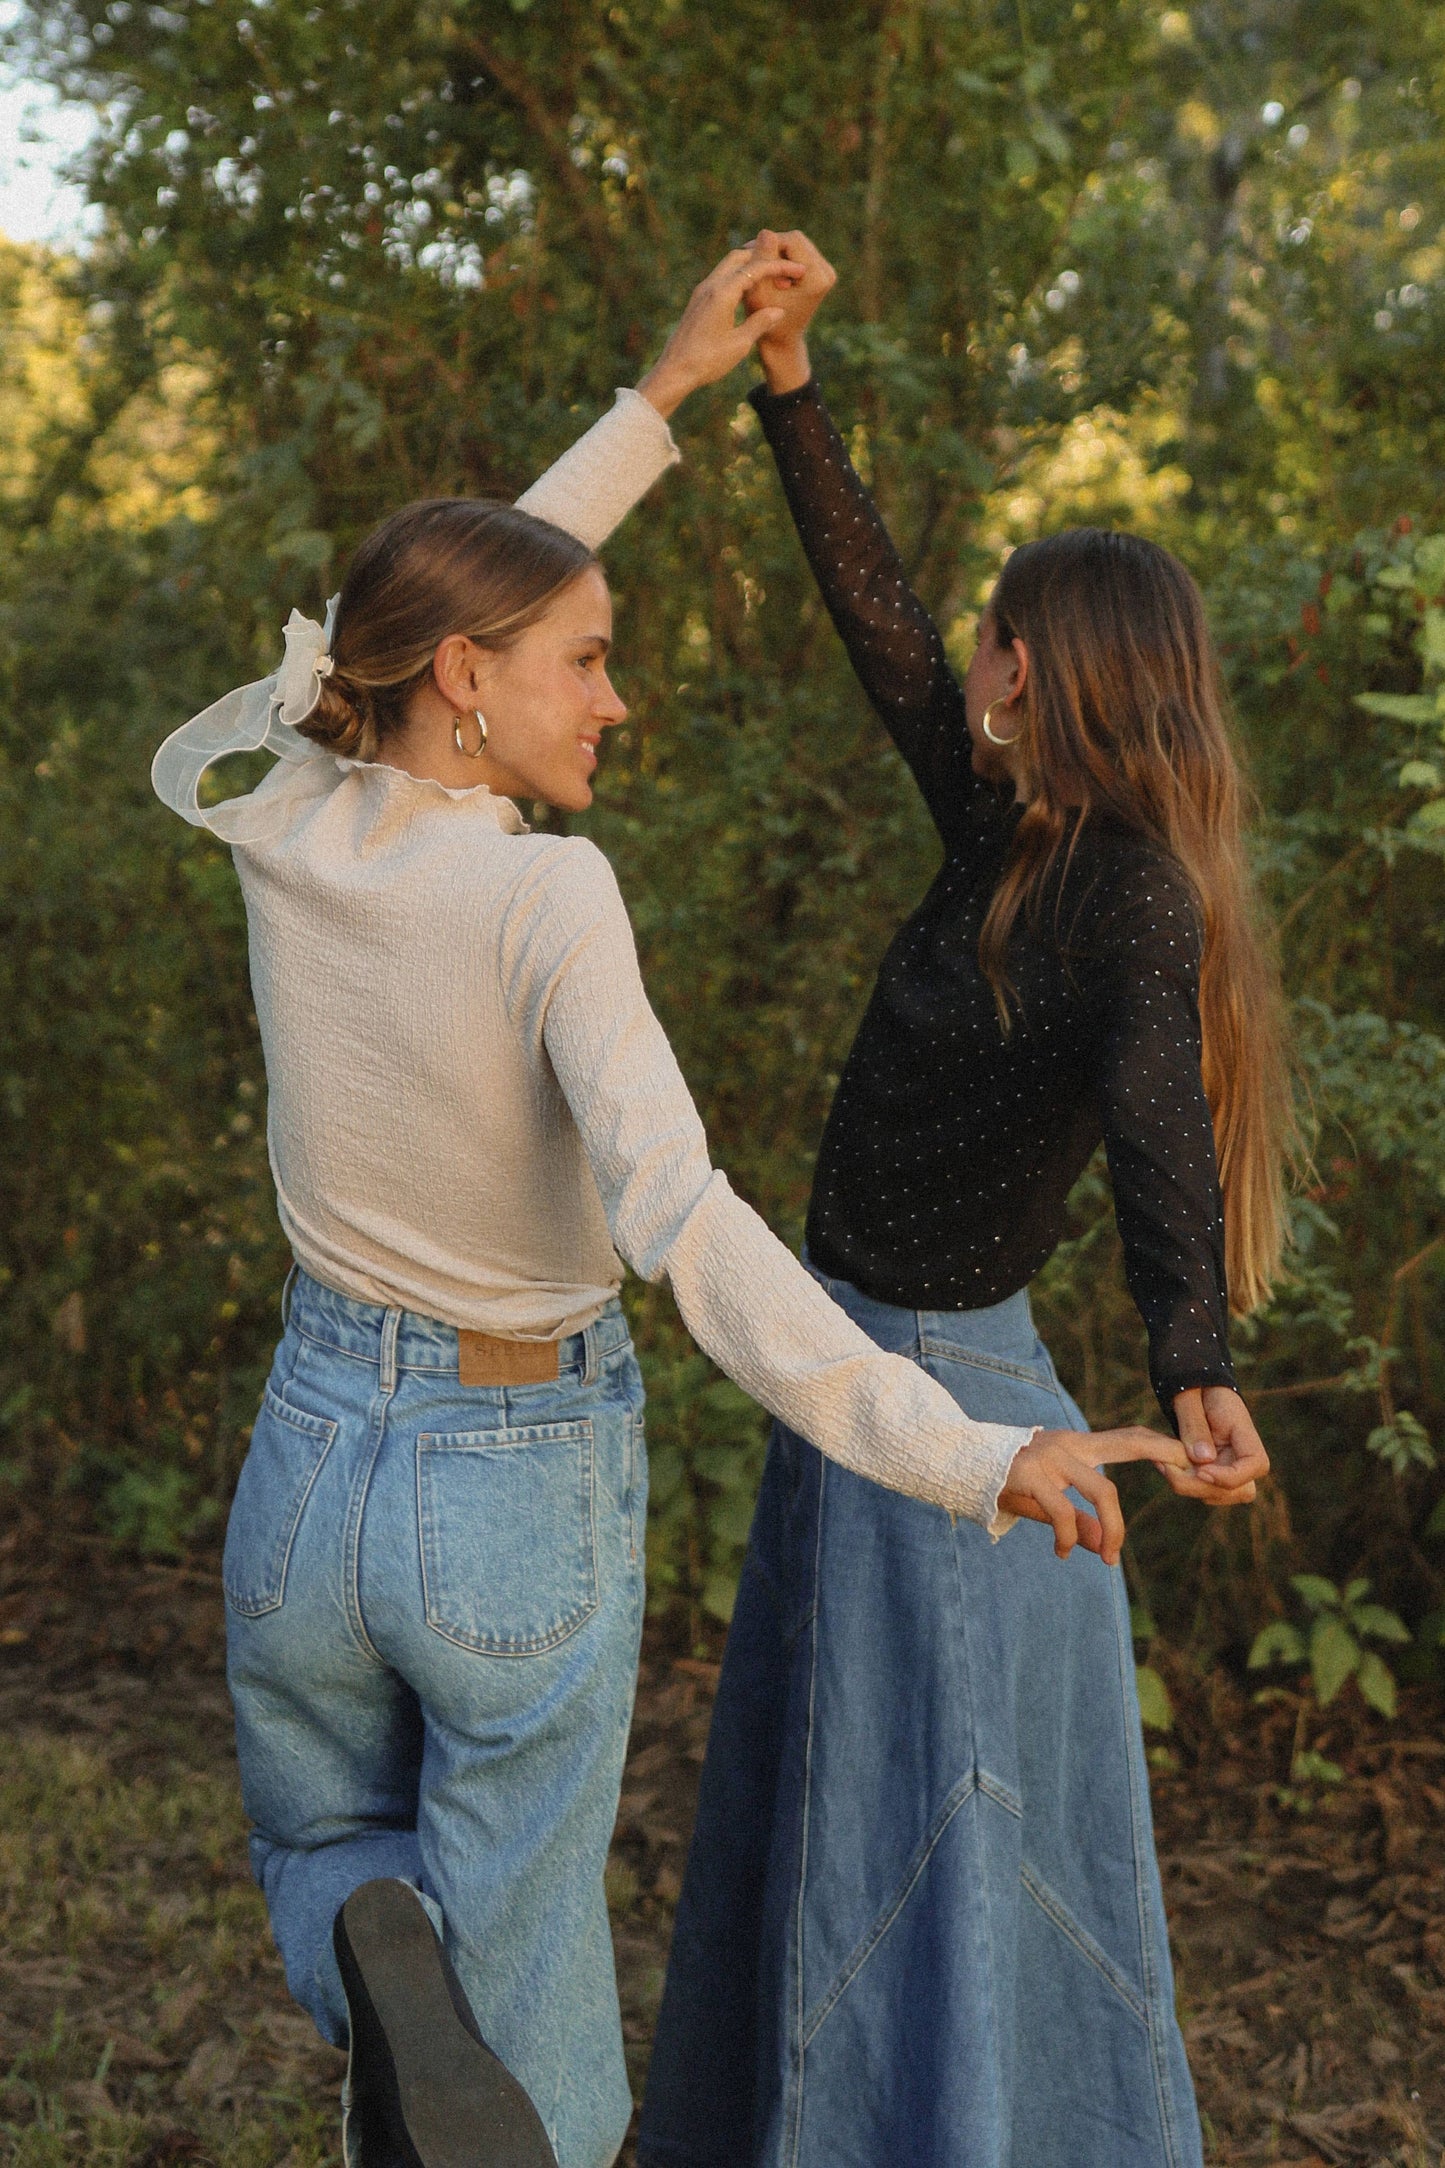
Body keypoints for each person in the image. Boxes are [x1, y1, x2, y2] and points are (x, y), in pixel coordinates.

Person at [150, 243, 1192, 2168]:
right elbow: (689, 1228)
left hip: (306, 1462)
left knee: (324, 1858)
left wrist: (663, 396)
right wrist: (967, 1453)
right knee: (523, 2041)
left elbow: (414, 622)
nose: (615, 700)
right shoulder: (550, 897)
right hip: (509, 1483)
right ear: (471, 678)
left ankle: (370, 1952)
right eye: (587, 660)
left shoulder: (273, 813)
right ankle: (466, 2030)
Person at [637, 234, 1283, 2168]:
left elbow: (1161, 1137)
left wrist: (1195, 1364)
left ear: (1052, 667)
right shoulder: (1009, 835)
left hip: (952, 1401)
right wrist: (786, 385)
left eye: (1000, 633)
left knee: (933, 1828)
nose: (971, 658)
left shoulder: (1129, 899)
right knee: (847, 1812)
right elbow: (875, 622)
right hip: (857, 1381)